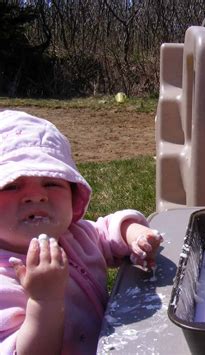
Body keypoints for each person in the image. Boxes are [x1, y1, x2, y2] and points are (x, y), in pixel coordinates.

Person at [0, 110, 164, 354]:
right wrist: (43, 302)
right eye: (12, 185)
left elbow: (108, 230)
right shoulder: (4, 284)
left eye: (51, 182)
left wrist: (135, 234)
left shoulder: (75, 235)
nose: (36, 195)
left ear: (74, 194)